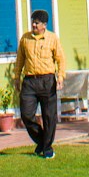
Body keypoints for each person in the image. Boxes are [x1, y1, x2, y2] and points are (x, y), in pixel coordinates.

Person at [14, 9, 65, 159]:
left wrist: (60, 77)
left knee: (49, 116)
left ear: (44, 25)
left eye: (37, 23)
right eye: (33, 22)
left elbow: (60, 59)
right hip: (29, 81)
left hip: (47, 81)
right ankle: (42, 141)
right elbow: (20, 60)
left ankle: (47, 148)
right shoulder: (25, 39)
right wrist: (17, 77)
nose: (34, 25)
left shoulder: (52, 38)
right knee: (26, 115)